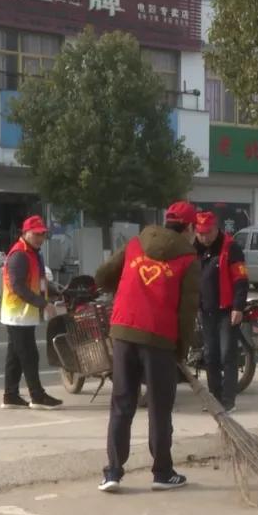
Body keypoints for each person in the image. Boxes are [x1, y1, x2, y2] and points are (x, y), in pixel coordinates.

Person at [94, 202, 201, 492]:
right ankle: (162, 473)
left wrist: (127, 288)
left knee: (121, 402)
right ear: (190, 228)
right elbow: (187, 312)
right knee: (159, 406)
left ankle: (113, 472)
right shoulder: (189, 259)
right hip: (159, 337)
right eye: (195, 229)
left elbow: (103, 273)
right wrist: (181, 349)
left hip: (124, 331)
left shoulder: (136, 243)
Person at [0, 216, 62, 410]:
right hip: (18, 314)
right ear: (25, 233)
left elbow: (39, 280)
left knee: (16, 356)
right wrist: (43, 303)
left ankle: (10, 395)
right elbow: (17, 286)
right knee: (29, 355)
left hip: (23, 314)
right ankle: (37, 396)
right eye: (35, 234)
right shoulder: (19, 255)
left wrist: (54, 290)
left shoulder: (33, 253)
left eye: (42, 234)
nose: (39, 238)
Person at [194, 211, 249, 413]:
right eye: (200, 233)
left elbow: (241, 279)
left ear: (216, 229)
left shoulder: (230, 248)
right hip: (206, 311)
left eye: (207, 233)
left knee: (227, 354)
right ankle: (214, 399)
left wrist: (238, 307)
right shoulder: (195, 249)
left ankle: (228, 401)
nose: (204, 237)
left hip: (227, 311)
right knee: (211, 356)